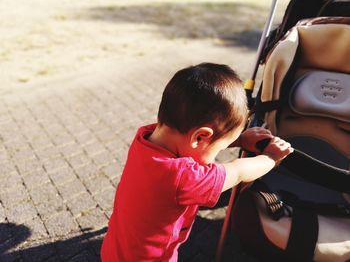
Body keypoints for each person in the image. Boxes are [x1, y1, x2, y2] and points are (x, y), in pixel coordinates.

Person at [100, 63, 293, 262]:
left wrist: (240, 140)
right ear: (200, 136)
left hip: (114, 250)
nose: (220, 150)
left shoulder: (145, 137)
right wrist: (271, 157)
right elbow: (238, 171)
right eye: (220, 147)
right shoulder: (182, 178)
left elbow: (197, 144)